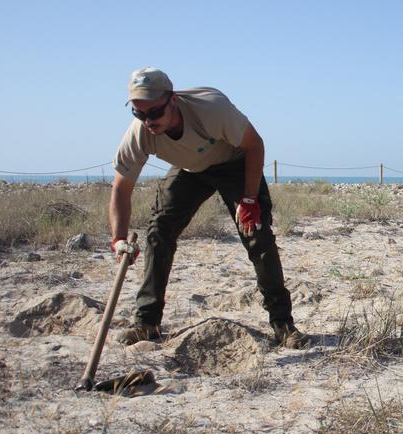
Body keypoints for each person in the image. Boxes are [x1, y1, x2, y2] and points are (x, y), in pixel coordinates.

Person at [109, 67, 309, 348]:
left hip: (235, 162)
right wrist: (118, 238)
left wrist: (249, 200)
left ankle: (283, 325)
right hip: (190, 168)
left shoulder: (212, 109)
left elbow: (255, 144)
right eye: (139, 114)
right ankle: (147, 323)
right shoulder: (140, 133)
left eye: (154, 112)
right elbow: (121, 187)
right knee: (159, 230)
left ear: (173, 100)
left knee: (257, 235)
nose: (148, 121)